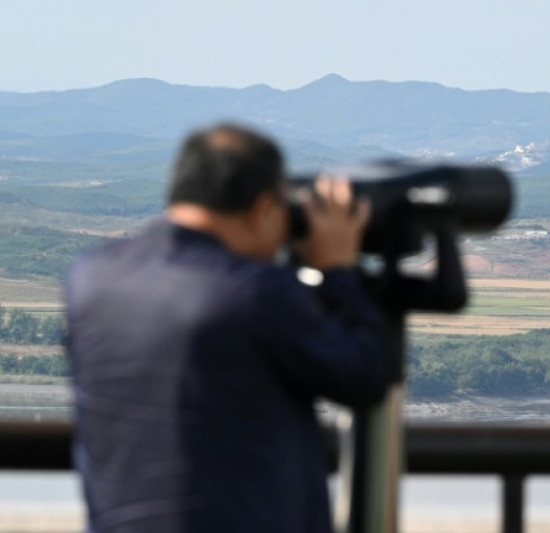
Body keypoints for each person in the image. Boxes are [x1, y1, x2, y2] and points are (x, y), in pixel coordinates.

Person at [66, 123, 390, 532]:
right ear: (264, 209)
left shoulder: (92, 278)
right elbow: (364, 375)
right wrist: (339, 271)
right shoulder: (253, 292)